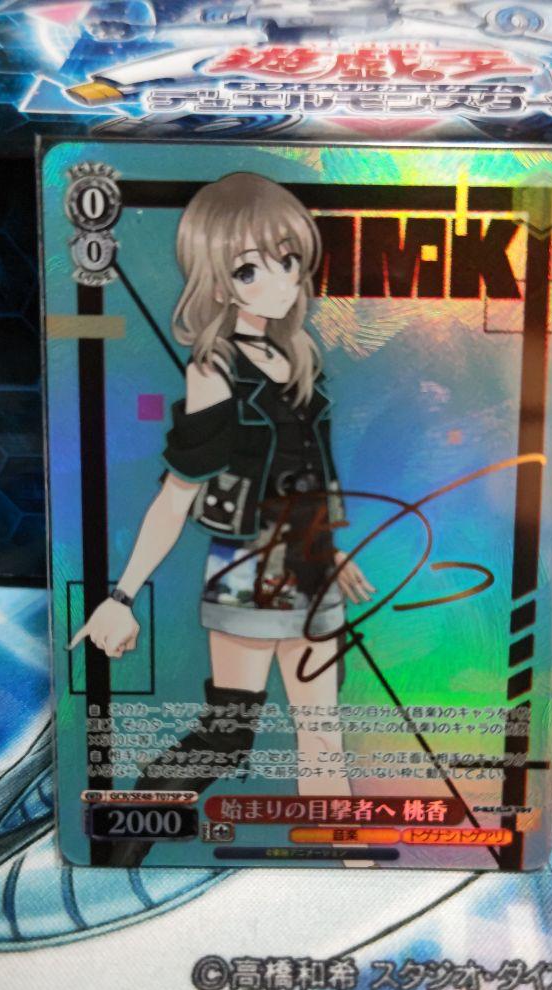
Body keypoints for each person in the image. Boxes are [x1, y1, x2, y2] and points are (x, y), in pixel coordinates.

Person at [71, 171, 374, 816]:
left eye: (289, 260)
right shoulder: (213, 369)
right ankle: (127, 830)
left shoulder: (300, 354)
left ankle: (348, 856)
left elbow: (307, 470)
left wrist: (329, 548)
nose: (281, 279)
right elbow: (178, 493)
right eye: (249, 269)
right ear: (216, 282)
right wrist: (121, 596)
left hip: (312, 563)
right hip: (247, 570)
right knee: (227, 736)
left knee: (324, 741)